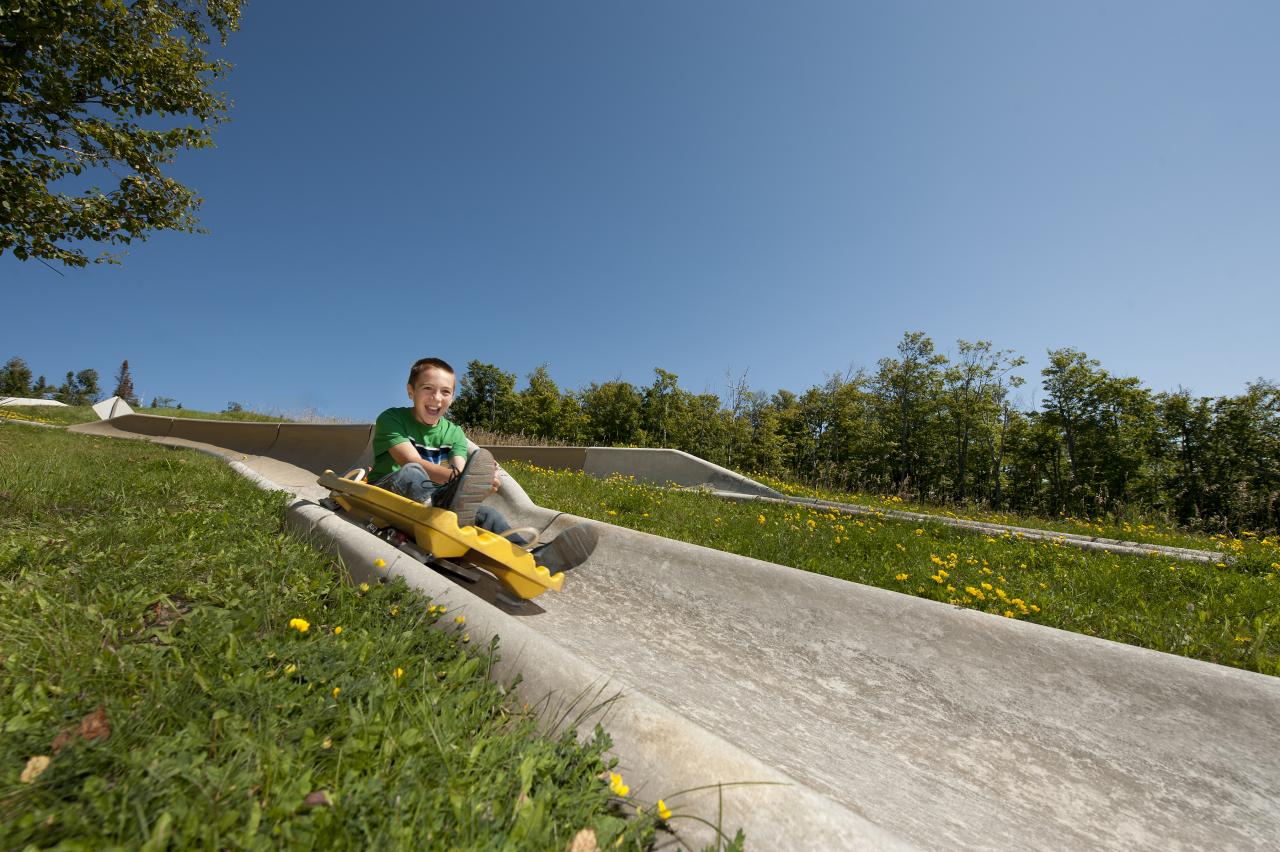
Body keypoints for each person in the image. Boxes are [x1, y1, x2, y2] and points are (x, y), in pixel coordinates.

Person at [368, 357, 598, 573]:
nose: (437, 398)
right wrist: (462, 482)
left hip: (436, 501)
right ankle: (440, 510)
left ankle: (529, 556)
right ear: (411, 391)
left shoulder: (454, 432)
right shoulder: (392, 419)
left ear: (452, 397)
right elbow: (410, 460)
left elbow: (458, 471)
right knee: (412, 472)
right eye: (428, 388)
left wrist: (476, 485)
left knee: (488, 514)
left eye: (445, 392)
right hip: (389, 491)